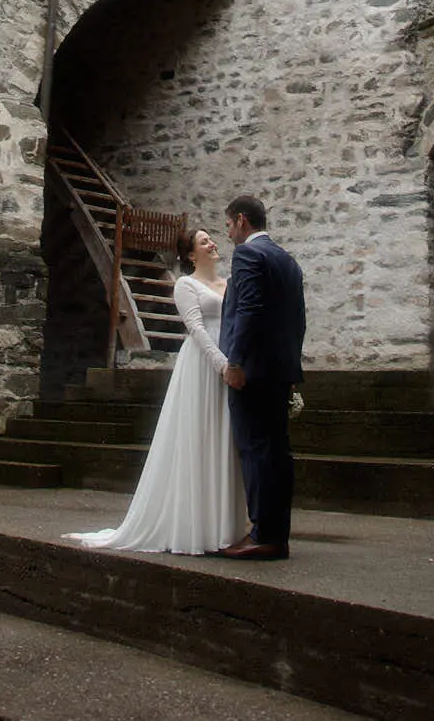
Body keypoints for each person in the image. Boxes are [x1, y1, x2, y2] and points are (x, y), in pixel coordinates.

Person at [65, 227, 244, 554]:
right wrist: (222, 365)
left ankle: (225, 527)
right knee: (199, 439)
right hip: (203, 367)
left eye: (210, 239)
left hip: (231, 361)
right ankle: (195, 528)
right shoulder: (185, 285)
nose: (212, 244)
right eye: (204, 242)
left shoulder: (230, 283)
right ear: (191, 254)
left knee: (224, 440)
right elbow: (197, 329)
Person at [219, 195, 306, 560]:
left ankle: (263, 534)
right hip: (279, 371)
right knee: (277, 453)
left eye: (228, 224)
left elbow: (249, 310)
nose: (227, 232)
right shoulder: (287, 259)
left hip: (253, 371)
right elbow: (298, 319)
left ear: (241, 220)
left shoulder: (248, 255)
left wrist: (235, 362)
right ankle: (276, 533)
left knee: (256, 451)